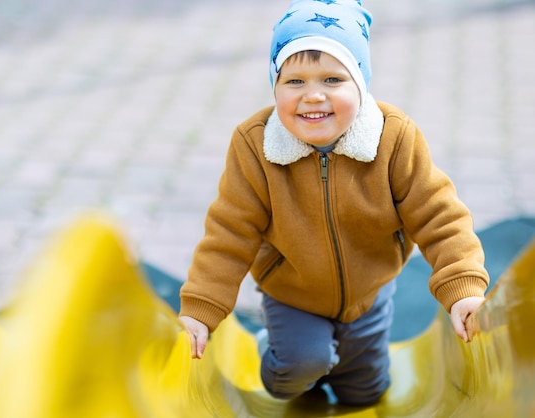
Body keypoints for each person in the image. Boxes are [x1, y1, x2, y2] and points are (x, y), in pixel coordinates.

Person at [178, 0, 489, 406]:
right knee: (297, 373)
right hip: (293, 292)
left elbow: (439, 216)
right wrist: (202, 307)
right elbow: (230, 231)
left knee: (365, 393)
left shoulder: (393, 139)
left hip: (369, 293)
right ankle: (274, 348)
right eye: (294, 82)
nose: (312, 96)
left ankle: (343, 367)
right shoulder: (255, 145)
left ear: (360, 83)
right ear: (275, 85)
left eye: (332, 79)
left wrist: (462, 284)